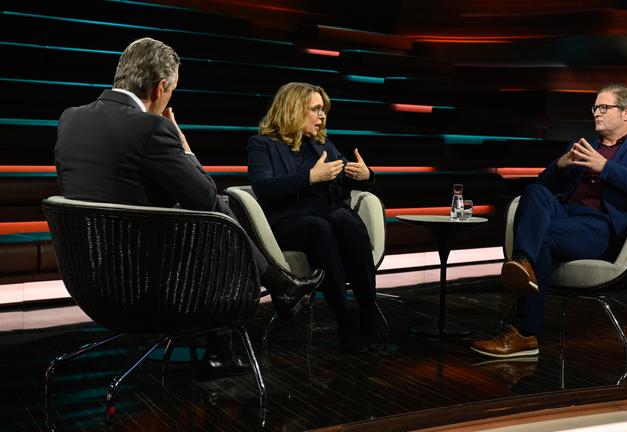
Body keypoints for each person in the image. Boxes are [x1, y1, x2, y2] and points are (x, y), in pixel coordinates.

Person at [54, 37, 322, 378]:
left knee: (215, 215)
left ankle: (253, 316)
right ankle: (276, 290)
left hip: (90, 274)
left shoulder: (70, 120)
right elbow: (203, 196)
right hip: (147, 281)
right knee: (220, 211)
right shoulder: (151, 127)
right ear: (161, 86)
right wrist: (184, 148)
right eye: (172, 90)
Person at [471, 83, 627, 359]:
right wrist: (560, 165)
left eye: (603, 107)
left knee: (544, 238)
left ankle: (524, 334)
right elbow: (543, 186)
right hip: (567, 215)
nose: (596, 113)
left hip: (601, 227)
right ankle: (523, 262)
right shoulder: (583, 146)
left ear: (626, 112)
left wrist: (606, 168)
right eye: (595, 108)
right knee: (534, 192)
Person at [247, 82, 386, 352]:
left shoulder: (322, 144)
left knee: (344, 220)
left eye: (323, 110)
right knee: (319, 227)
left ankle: (369, 309)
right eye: (316, 109)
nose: (322, 116)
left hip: (325, 214)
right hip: (286, 221)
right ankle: (344, 316)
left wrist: (365, 175)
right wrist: (310, 177)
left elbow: (348, 174)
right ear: (294, 110)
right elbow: (263, 188)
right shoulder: (262, 144)